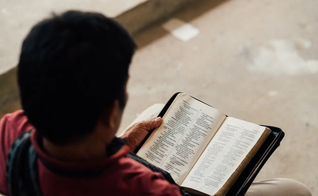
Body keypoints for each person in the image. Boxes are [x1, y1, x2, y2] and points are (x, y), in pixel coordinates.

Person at [0, 11, 311, 196]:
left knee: (155, 117)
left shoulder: (11, 131)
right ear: (110, 114)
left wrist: (120, 142)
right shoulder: (141, 187)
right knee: (294, 190)